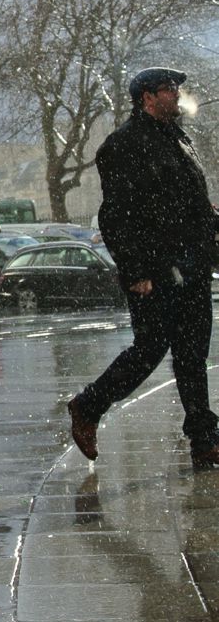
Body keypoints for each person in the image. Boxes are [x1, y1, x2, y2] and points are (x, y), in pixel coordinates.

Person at [68, 67, 219, 469]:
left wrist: (211, 224)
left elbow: (190, 204)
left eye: (177, 88)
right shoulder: (124, 144)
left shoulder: (178, 139)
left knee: (192, 356)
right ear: (147, 98)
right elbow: (115, 216)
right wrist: (136, 271)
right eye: (169, 89)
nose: (177, 94)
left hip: (191, 265)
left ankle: (204, 440)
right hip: (156, 269)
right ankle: (88, 405)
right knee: (149, 349)